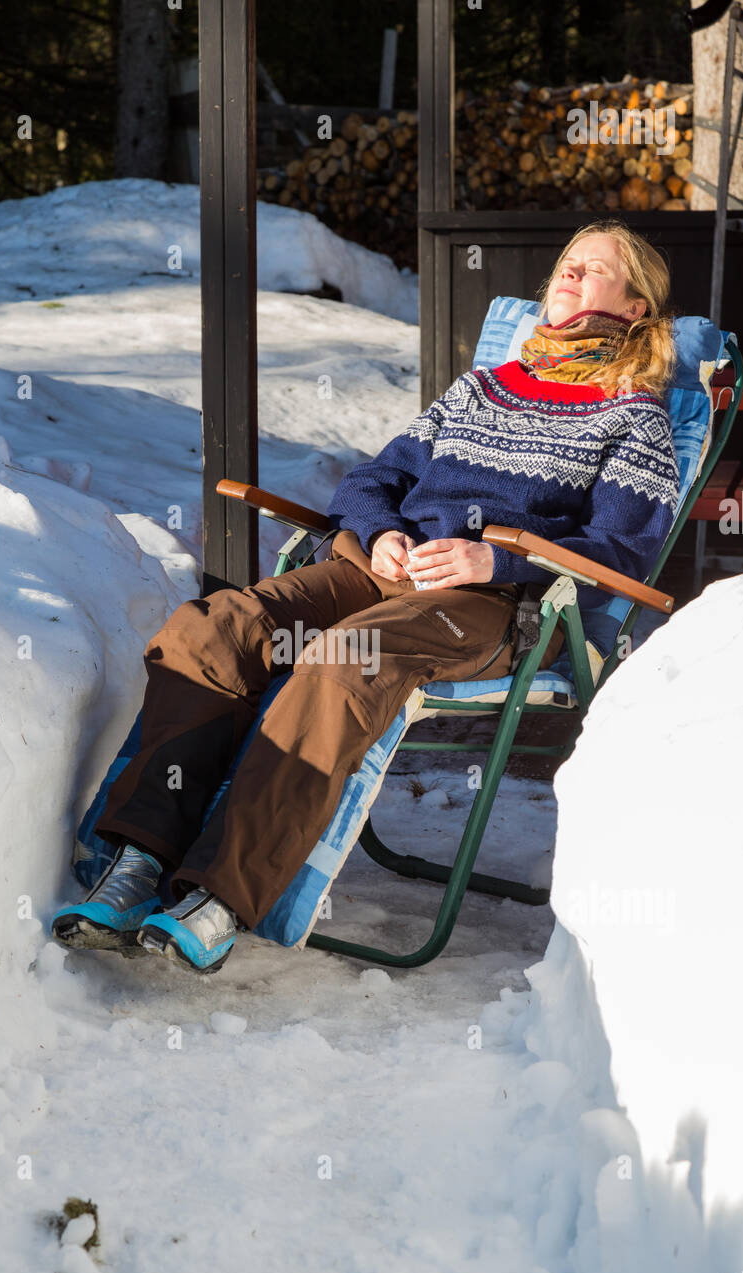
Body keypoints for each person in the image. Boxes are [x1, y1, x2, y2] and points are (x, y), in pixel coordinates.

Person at [51, 219, 680, 975]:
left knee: (342, 660)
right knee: (218, 629)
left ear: (637, 307)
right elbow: (372, 480)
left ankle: (223, 895)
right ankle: (137, 863)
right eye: (567, 265)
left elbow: (621, 551)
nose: (570, 276)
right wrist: (379, 529)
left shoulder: (633, 417)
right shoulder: (483, 388)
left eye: (595, 269)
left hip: (488, 600)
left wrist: (496, 559)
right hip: (376, 567)